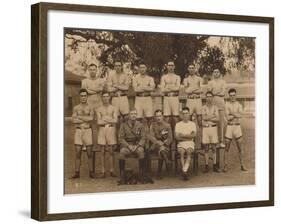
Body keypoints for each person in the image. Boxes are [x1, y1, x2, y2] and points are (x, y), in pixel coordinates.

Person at [118, 109, 147, 184]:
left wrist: (137, 146)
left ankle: (141, 173)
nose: (133, 115)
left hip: (137, 145)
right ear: (128, 115)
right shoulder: (123, 125)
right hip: (127, 145)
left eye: (135, 114)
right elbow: (121, 138)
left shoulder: (140, 125)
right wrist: (128, 146)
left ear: (137, 115)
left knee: (141, 151)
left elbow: (143, 137)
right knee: (122, 152)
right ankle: (122, 174)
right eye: (132, 114)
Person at [71, 89, 95, 179]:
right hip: (78, 131)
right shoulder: (76, 108)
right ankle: (77, 173)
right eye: (82, 96)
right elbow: (73, 120)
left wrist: (79, 117)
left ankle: (91, 172)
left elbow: (91, 118)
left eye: (85, 96)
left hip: (88, 130)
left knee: (89, 153)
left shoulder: (91, 107)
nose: (83, 97)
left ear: (87, 96)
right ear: (79, 97)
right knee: (78, 152)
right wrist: (85, 118)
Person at [223, 88, 247, 172]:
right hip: (229, 127)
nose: (232, 97)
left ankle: (242, 165)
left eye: (234, 95)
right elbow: (228, 118)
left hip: (237, 127)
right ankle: (225, 165)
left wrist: (232, 113)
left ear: (236, 95)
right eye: (231, 96)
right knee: (227, 147)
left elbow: (240, 115)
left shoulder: (239, 105)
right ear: (229, 96)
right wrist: (236, 114)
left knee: (240, 147)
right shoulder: (226, 105)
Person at [96, 91, 118, 178]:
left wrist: (104, 119)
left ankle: (112, 170)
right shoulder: (98, 109)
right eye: (104, 97)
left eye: (107, 96)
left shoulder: (114, 108)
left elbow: (115, 120)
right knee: (102, 151)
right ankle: (103, 171)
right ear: (102, 98)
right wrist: (109, 118)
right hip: (102, 130)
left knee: (111, 151)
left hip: (111, 129)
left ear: (109, 97)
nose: (105, 98)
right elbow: (98, 122)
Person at [148, 109, 173, 179]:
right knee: (161, 149)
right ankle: (167, 161)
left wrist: (164, 144)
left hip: (165, 145)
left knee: (161, 150)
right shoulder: (152, 125)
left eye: (160, 116)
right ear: (155, 117)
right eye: (157, 116)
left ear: (163, 116)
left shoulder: (167, 126)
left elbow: (170, 138)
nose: (158, 118)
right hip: (155, 146)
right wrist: (158, 142)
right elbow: (151, 137)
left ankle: (159, 172)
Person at [175, 107, 197, 180]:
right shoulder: (178, 124)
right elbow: (177, 137)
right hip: (181, 143)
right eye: (183, 113)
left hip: (190, 143)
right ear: (181, 115)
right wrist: (188, 136)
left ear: (189, 114)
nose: (185, 115)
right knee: (181, 152)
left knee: (189, 152)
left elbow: (193, 135)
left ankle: (184, 170)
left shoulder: (192, 124)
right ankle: (184, 170)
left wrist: (183, 135)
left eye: (186, 113)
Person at [202, 91, 220, 173]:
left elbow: (218, 119)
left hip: (213, 128)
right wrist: (213, 116)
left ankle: (214, 165)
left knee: (213, 147)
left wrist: (207, 118)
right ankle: (206, 165)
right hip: (206, 129)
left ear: (212, 98)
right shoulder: (203, 107)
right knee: (206, 148)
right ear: (205, 98)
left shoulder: (215, 107)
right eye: (207, 96)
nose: (208, 98)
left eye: (210, 96)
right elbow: (203, 119)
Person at [207, 68, 226, 147]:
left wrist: (215, 93)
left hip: (220, 102)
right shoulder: (210, 82)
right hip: (212, 102)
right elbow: (209, 92)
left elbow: (223, 93)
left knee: (221, 122)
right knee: (212, 121)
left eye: (217, 72)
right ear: (213, 73)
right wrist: (216, 92)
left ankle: (221, 141)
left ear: (220, 73)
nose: (216, 73)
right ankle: (212, 140)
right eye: (214, 72)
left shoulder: (223, 82)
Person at [132, 61, 155, 127]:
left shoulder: (150, 78)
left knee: (150, 117)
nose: (142, 69)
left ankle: (150, 133)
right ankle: (139, 134)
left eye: (143, 67)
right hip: (138, 99)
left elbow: (152, 88)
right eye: (140, 67)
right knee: (138, 118)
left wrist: (141, 87)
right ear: (138, 69)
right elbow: (136, 89)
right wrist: (146, 87)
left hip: (148, 98)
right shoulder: (135, 78)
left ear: (146, 68)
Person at [160, 60, 181, 128]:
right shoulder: (164, 77)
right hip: (167, 98)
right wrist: (172, 87)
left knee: (176, 116)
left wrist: (168, 87)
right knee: (167, 117)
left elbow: (177, 88)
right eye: (169, 65)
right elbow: (162, 89)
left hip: (175, 97)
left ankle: (176, 134)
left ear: (174, 67)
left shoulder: (177, 77)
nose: (171, 67)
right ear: (167, 67)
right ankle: (167, 134)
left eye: (172, 65)